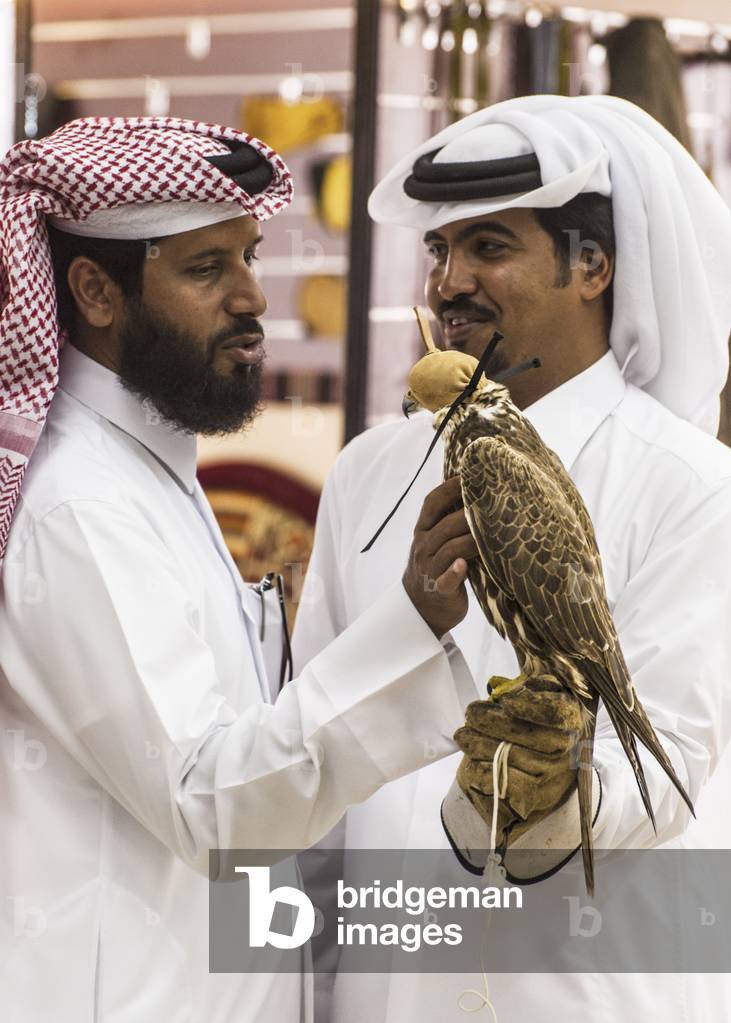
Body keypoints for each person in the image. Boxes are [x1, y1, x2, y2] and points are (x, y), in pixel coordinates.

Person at [0, 116, 480, 1022]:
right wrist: (410, 620)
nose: (254, 296)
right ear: (96, 291)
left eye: (250, 256)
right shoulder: (80, 507)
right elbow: (207, 804)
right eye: (206, 268)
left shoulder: (151, 473)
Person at [292, 95, 731, 1020]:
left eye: (488, 246)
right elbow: (312, 784)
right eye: (439, 252)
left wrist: (547, 790)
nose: (449, 281)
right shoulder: (368, 476)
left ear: (592, 267)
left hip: (587, 990)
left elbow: (675, 756)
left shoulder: (690, 484)